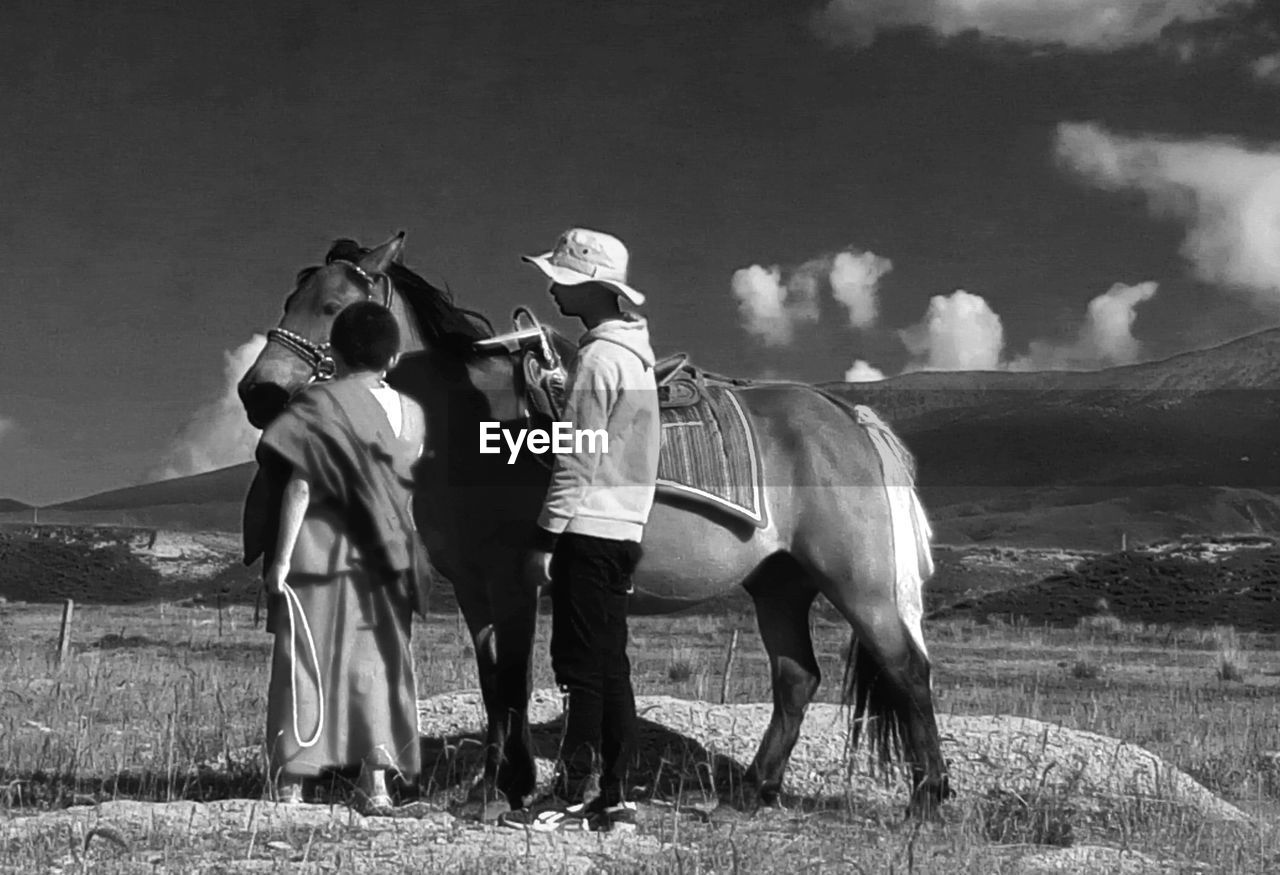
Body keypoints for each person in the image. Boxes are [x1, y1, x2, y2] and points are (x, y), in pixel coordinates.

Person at [501, 228, 661, 833]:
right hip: (623, 528)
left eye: (563, 279)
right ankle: (614, 794)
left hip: (587, 529)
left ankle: (573, 793)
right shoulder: (633, 354)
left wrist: (544, 538)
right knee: (609, 664)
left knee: (580, 667)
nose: (551, 287)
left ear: (592, 287)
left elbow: (577, 457)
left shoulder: (597, 358)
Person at [253, 300, 430, 813]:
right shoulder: (414, 415)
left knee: (304, 662)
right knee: (375, 665)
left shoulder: (317, 405)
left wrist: (279, 559)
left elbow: (300, 486)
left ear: (332, 352)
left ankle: (292, 783)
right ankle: (375, 784)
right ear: (394, 357)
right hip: (386, 557)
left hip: (318, 553)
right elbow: (407, 492)